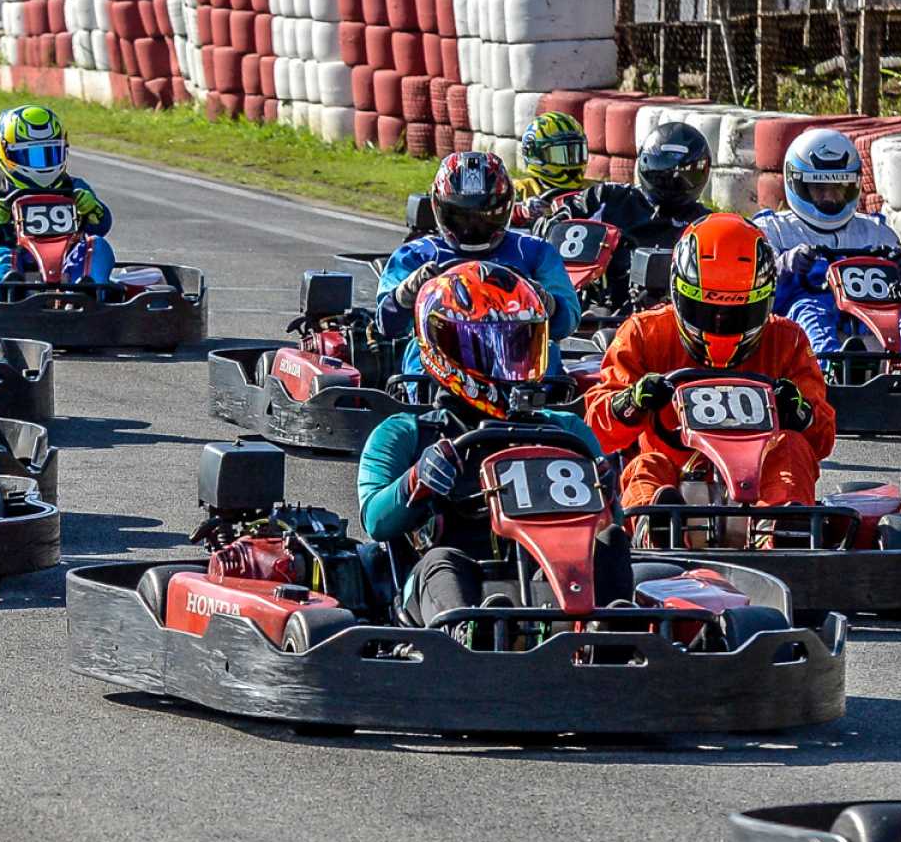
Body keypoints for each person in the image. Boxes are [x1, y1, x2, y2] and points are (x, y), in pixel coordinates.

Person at [354, 261, 617, 643]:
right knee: (443, 561)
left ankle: (612, 634)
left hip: (550, 581)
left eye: (519, 343)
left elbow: (610, 522)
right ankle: (467, 635)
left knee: (610, 543)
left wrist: (607, 494)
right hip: (444, 584)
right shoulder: (406, 434)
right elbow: (375, 521)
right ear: (445, 347)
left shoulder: (566, 431)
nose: (509, 359)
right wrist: (416, 481)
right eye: (490, 346)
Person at [585, 212, 835, 510]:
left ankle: (783, 524)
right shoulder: (645, 333)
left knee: (792, 448)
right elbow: (596, 431)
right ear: (678, 294)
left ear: (766, 300)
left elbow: (822, 441)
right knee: (647, 465)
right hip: (674, 473)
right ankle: (656, 521)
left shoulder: (787, 340)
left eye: (737, 314)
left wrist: (800, 413)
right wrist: (632, 403)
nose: (720, 322)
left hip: (759, 478)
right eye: (705, 311)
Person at [375, 151, 579, 375]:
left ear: (506, 207)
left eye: (486, 216)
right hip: (440, 362)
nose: (473, 226)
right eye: (461, 216)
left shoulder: (534, 252)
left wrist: (545, 301)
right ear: (438, 207)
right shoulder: (416, 255)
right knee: (416, 354)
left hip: (518, 359)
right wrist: (405, 294)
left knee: (549, 356)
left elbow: (567, 322)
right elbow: (387, 325)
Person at [754, 128, 901, 353]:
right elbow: (753, 290)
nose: (829, 197)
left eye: (838, 188)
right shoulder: (774, 229)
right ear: (797, 184)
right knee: (808, 310)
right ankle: (828, 365)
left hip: (875, 321)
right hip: (801, 322)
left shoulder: (875, 231)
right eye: (819, 188)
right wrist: (785, 265)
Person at [555, 120, 714, 314]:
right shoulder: (609, 198)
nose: (672, 179)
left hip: (675, 317)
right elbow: (559, 221)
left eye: (683, 174)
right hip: (607, 312)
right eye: (662, 170)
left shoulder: (707, 224)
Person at [0, 104, 113, 284]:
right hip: (17, 262)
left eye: (50, 154)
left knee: (97, 245)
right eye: (32, 156)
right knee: (2, 253)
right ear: (6, 152)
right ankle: (9, 289)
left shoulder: (74, 188)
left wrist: (93, 208)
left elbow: (101, 227)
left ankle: (89, 289)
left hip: (67, 266)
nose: (42, 165)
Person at [510, 111, 592, 220]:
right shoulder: (520, 190)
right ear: (535, 155)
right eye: (560, 154)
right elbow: (495, 214)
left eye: (576, 153)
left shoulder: (592, 190)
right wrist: (521, 211)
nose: (571, 163)